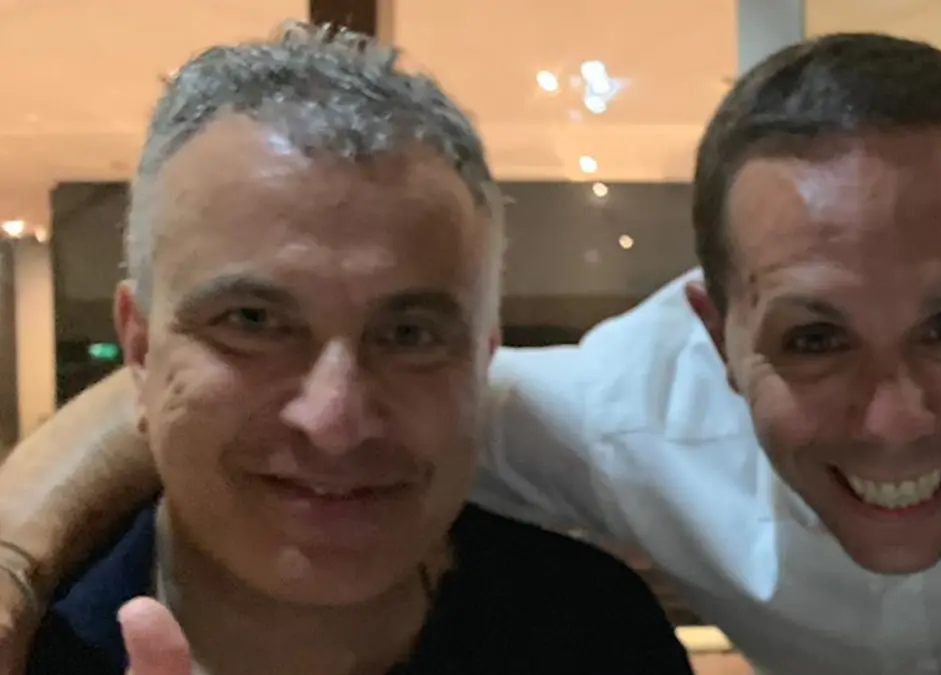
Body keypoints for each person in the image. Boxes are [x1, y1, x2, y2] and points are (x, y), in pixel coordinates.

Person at [0, 29, 941, 675]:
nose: (894, 419)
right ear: (713, 332)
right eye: (813, 337)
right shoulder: (609, 414)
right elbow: (201, 404)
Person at [11, 21, 694, 675]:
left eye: (409, 335)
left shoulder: (592, 634)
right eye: (253, 321)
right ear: (139, 347)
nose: (334, 421)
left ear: (483, 358)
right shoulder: (31, 644)